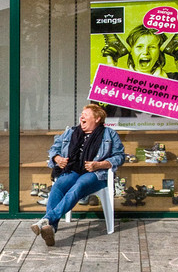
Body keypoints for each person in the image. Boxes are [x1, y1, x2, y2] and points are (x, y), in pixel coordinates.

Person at [32, 104, 126, 246]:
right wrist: (57, 158)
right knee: (58, 185)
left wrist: (99, 164)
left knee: (80, 185)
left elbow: (120, 156)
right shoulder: (71, 132)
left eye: (85, 114)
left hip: (96, 173)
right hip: (73, 169)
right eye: (81, 114)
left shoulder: (109, 134)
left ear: (97, 118)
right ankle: (50, 227)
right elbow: (54, 148)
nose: (81, 117)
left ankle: (47, 219)